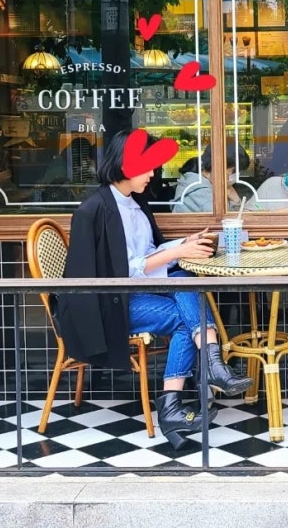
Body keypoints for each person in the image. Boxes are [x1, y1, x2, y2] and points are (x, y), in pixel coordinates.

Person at [56, 129, 253, 450]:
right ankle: (209, 368)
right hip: (106, 305)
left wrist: (182, 244)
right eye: (146, 167)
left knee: (185, 291)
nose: (152, 173)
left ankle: (185, 394)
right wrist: (176, 253)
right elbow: (119, 272)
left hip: (135, 295)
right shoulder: (93, 210)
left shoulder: (135, 203)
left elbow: (147, 252)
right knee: (185, 308)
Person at [172, 142, 249, 213]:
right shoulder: (204, 194)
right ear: (219, 166)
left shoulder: (192, 182)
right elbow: (227, 222)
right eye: (234, 171)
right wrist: (235, 201)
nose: (236, 175)